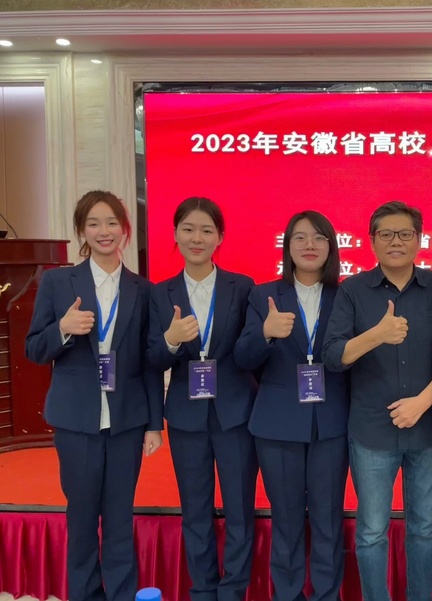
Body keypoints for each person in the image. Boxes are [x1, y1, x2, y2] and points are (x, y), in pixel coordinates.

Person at [25, 190, 163, 601]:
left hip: (127, 420)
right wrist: (62, 329)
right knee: (82, 518)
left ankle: (121, 594)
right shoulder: (58, 282)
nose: (104, 231)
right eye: (93, 223)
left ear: (125, 229)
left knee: (119, 518)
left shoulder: (143, 289)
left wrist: (154, 424)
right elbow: (34, 348)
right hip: (76, 420)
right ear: (81, 231)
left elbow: (149, 362)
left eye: (112, 223)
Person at [323, 201, 432, 601]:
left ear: (419, 240)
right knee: (372, 531)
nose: (396, 241)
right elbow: (333, 356)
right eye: (386, 234)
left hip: (428, 428)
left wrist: (423, 402)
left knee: (424, 529)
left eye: (405, 234)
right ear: (372, 241)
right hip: (371, 431)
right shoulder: (353, 290)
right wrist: (376, 335)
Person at [234, 210, 349, 601]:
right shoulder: (263, 295)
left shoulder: (345, 295)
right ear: (287, 247)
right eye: (300, 238)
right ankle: (287, 594)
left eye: (318, 237)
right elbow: (243, 358)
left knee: (328, 520)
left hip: (331, 423)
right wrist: (265, 334)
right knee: (285, 520)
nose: (309, 245)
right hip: (277, 425)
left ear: (331, 246)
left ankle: (326, 594)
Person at [147, 197, 258, 601]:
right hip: (185, 417)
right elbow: (151, 359)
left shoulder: (242, 287)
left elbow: (251, 353)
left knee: (240, 511)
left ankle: (233, 591)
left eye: (206, 230)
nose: (197, 238)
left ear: (220, 237)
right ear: (175, 235)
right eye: (188, 229)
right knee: (195, 511)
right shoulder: (159, 293)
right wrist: (170, 340)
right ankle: (203, 590)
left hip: (236, 414)